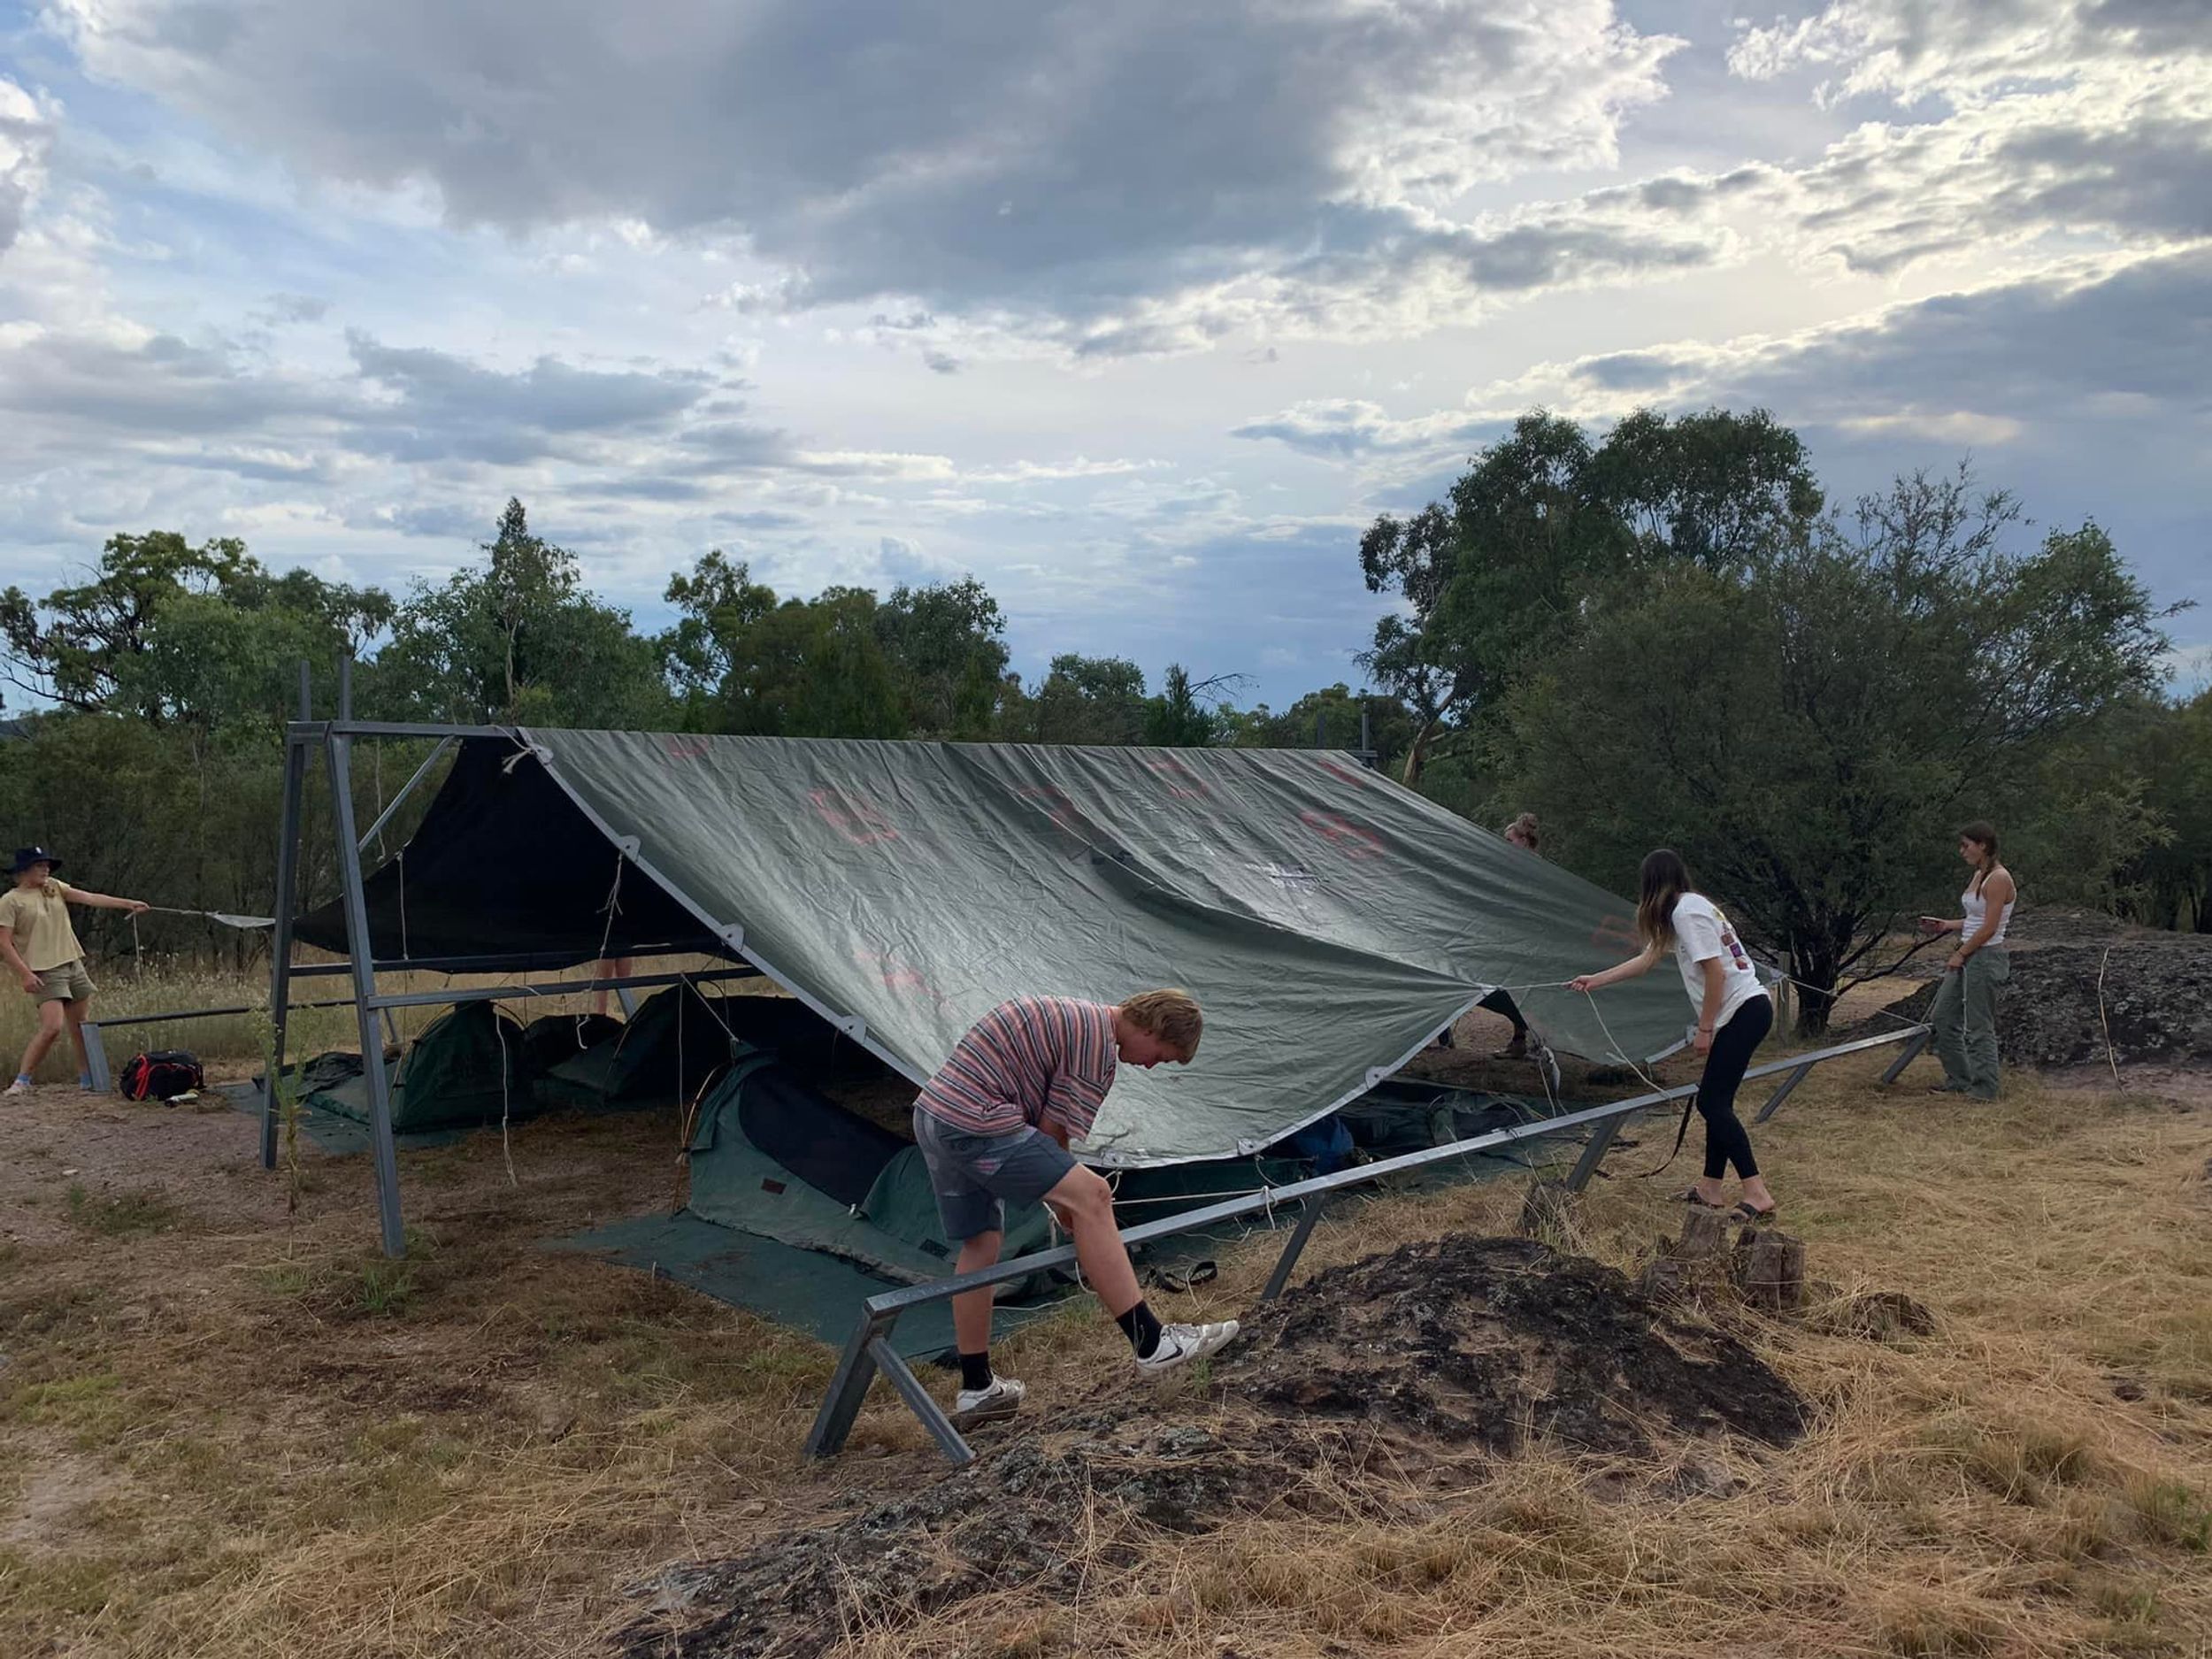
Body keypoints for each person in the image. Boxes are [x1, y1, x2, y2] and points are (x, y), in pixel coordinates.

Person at [912, 989, 1239, 1427]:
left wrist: (1069, 1204)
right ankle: (1152, 1343)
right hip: (976, 1121)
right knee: (1094, 1194)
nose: (1150, 1066)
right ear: (1153, 1028)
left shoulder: (1074, 1016)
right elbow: (1053, 1136)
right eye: (1161, 1056)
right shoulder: (1096, 1045)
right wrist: (1074, 1210)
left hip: (934, 1117)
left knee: (982, 1243)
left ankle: (977, 1387)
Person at [1569, 849, 1777, 1222]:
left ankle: (1756, 1193)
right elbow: (1646, 960)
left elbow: (1716, 973)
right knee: (1716, 1101)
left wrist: (1705, 1028)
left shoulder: (1687, 913)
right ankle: (1710, 1188)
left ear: (1652, 884)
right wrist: (1595, 980)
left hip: (1744, 1010)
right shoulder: (1689, 908)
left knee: (1712, 1104)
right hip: (1745, 1011)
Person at [1, 847, 150, 1095]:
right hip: (44, 969)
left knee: (82, 1027)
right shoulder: (10, 901)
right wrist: (25, 973)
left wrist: (127, 904)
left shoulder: (54, 887)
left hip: (72, 962)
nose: (46, 870)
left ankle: (87, 1078)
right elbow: (4, 943)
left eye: (47, 866)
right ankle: (21, 1081)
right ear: (23, 871)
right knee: (52, 1027)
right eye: (39, 866)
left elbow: (90, 897)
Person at [1918, 821, 2016, 1101]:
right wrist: (1946, 925)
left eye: (1966, 845)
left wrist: (1961, 954)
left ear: (1982, 845)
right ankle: (1960, 1079)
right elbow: (1975, 920)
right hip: (1968, 950)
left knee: (1978, 1024)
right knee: (1943, 1017)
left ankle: (1985, 1089)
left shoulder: (1998, 878)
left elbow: (1989, 927)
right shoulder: (1978, 875)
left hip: (1984, 956)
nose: (1962, 851)